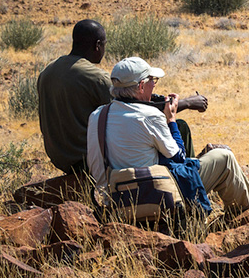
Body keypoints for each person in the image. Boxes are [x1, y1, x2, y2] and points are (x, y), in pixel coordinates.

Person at [38, 19, 208, 174]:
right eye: (104, 45)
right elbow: (135, 111)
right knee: (180, 127)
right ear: (97, 46)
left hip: (60, 157)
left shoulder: (47, 72)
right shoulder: (95, 78)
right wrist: (185, 103)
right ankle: (190, 183)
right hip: (90, 158)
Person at [86, 57, 249, 211]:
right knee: (224, 158)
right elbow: (179, 157)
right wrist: (171, 120)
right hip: (156, 199)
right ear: (141, 86)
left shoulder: (97, 116)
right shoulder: (150, 116)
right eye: (152, 80)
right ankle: (244, 214)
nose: (154, 85)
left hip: (116, 201)